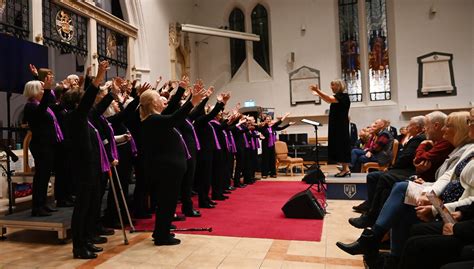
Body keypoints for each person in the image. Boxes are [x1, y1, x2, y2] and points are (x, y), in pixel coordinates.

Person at [336, 110, 473, 268]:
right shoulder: (461, 149)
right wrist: (430, 189)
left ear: (459, 129)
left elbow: (419, 160)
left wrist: (435, 203)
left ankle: (373, 234)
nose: (443, 130)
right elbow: (446, 176)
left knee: (397, 186)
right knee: (395, 187)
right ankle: (381, 243)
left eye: (447, 126)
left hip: (451, 207)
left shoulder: (449, 146)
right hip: (438, 195)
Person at [140, 81, 205, 246]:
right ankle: (162, 236)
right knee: (166, 202)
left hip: (169, 168)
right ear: (154, 103)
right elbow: (175, 117)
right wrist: (192, 102)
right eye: (160, 99)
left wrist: (183, 91)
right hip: (166, 169)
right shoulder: (153, 120)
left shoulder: (156, 118)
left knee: (167, 202)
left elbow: (172, 112)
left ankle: (161, 231)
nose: (164, 101)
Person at [23, 73, 63, 217]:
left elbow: (51, 103)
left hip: (47, 144)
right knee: (41, 176)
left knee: (45, 176)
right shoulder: (31, 106)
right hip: (40, 145)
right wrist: (47, 90)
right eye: (41, 90)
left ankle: (43, 204)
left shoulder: (42, 105)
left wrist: (50, 89)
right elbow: (40, 113)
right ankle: (37, 207)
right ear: (34, 92)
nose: (43, 92)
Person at [310, 79, 351, 177]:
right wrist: (319, 94)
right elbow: (328, 99)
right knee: (338, 145)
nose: (331, 87)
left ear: (339, 86)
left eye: (333, 85)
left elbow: (328, 99)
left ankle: (345, 169)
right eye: (331, 85)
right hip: (337, 125)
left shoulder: (343, 96)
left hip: (340, 126)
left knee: (342, 146)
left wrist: (318, 90)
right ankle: (346, 168)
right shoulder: (339, 97)